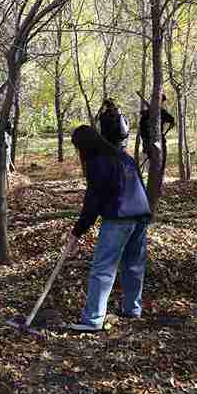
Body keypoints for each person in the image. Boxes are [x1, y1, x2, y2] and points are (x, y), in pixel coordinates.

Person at [64, 125, 151, 332]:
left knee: (103, 268)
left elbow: (93, 201)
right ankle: (132, 309)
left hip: (119, 218)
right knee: (133, 265)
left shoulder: (97, 163)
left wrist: (77, 231)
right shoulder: (124, 157)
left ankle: (93, 320)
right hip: (140, 215)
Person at [139, 94, 175, 173]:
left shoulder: (159, 112)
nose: (162, 103)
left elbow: (172, 120)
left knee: (155, 160)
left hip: (150, 141)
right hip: (154, 142)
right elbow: (172, 120)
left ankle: (155, 177)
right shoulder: (155, 112)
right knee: (158, 160)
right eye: (162, 101)